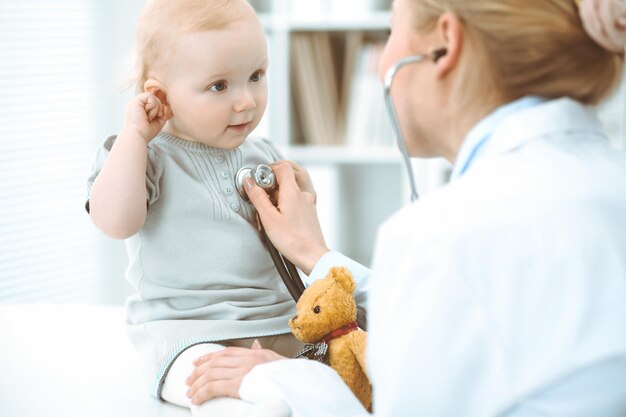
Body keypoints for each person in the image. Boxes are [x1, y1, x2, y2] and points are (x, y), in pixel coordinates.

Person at [183, 0, 626, 416]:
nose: (381, 63)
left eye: (392, 29)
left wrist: (285, 379)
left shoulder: (440, 236)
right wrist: (314, 255)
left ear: (443, 45)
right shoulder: (602, 184)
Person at [85, 1, 370, 416]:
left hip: (281, 324)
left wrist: (304, 202)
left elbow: (292, 243)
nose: (246, 102)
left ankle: (281, 390)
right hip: (191, 336)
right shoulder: (145, 157)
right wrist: (134, 137)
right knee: (214, 384)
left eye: (256, 76)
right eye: (219, 86)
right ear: (158, 95)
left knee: (345, 364)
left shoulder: (263, 155)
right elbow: (115, 221)